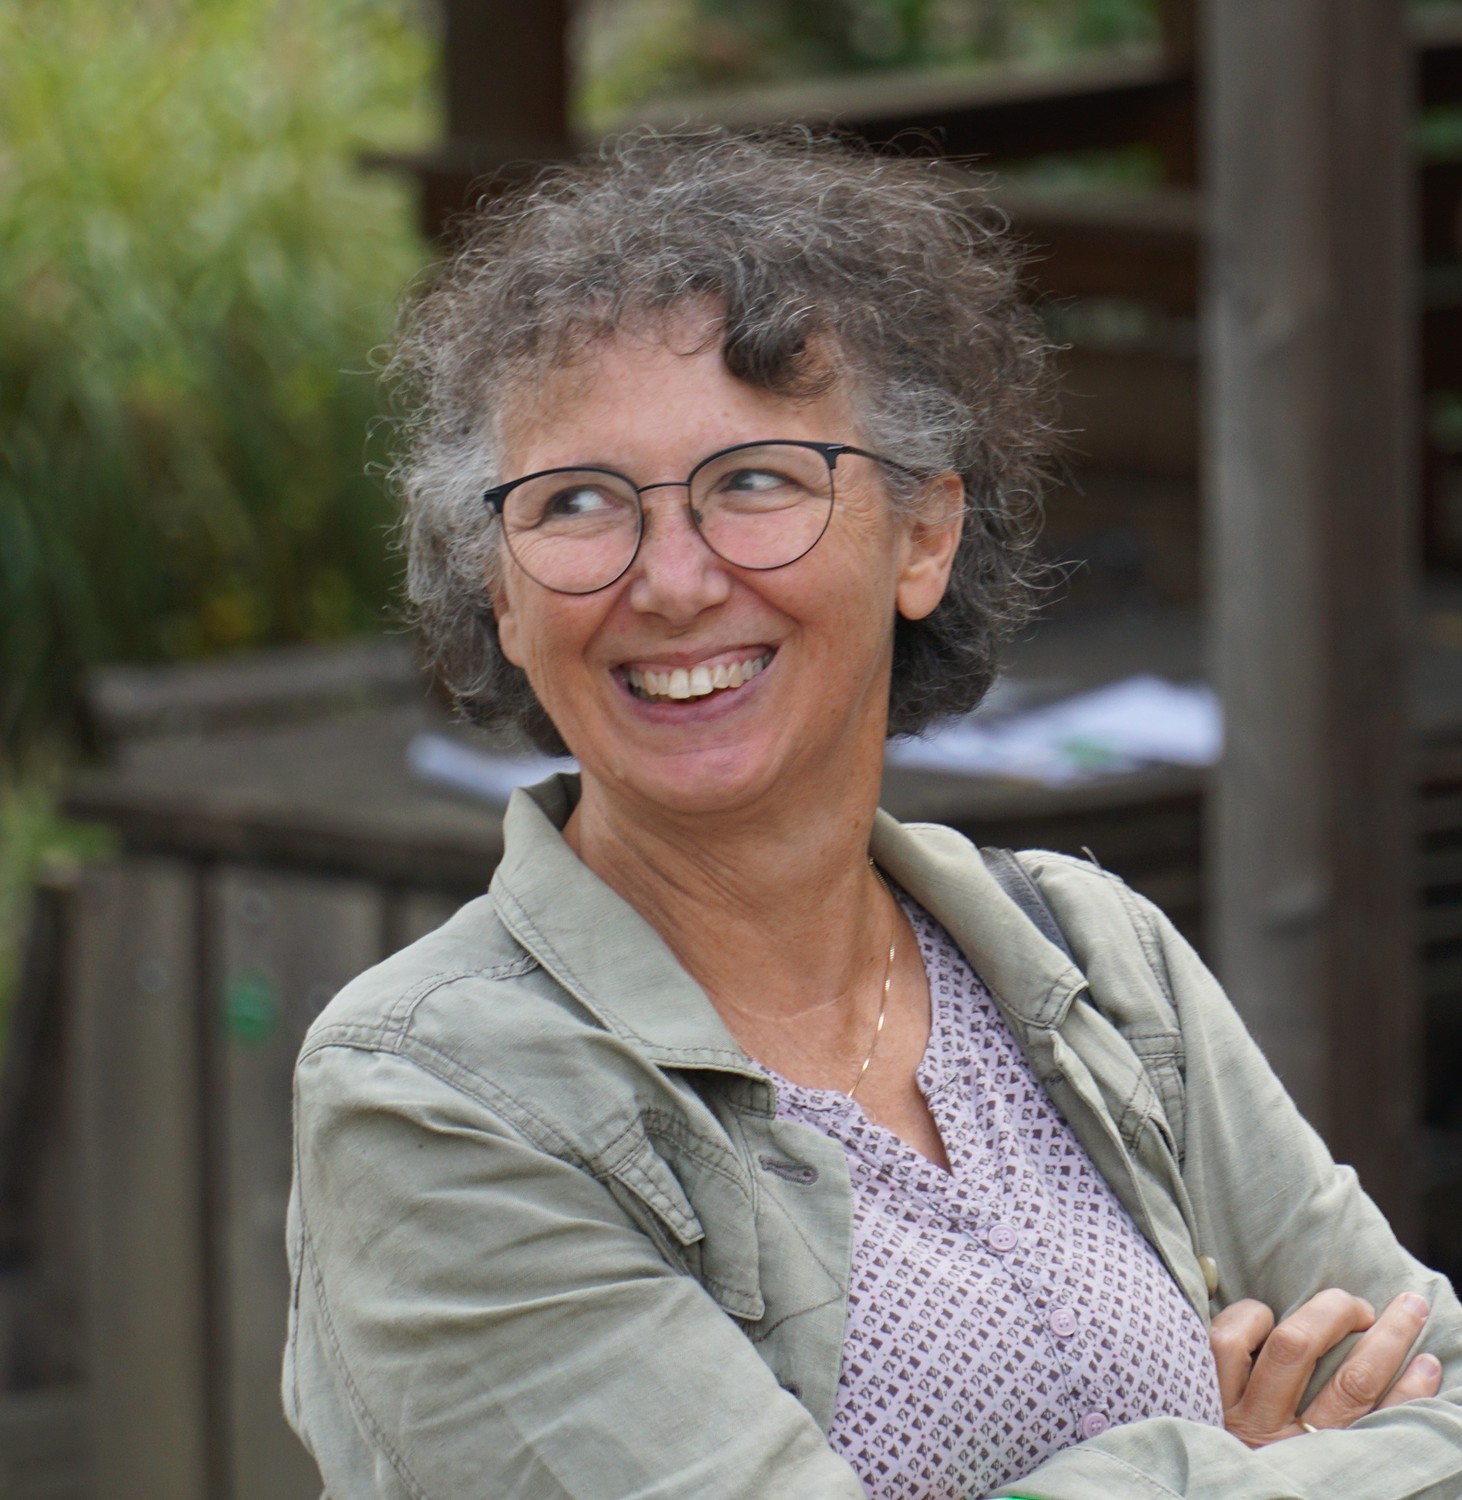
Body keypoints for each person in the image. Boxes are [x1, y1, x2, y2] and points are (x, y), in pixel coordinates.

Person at [283, 129, 1461, 1498]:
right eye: (579, 502)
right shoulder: (432, 1095)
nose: (672, 580)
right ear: (500, 589)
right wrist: (1234, 1462)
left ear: (923, 536)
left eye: (754, 482)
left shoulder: (1094, 960)